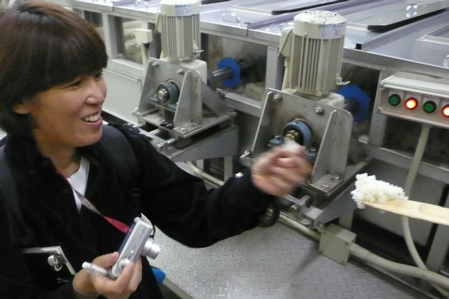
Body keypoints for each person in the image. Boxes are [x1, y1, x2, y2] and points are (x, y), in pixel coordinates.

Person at [0, 1, 312, 298]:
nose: (97, 94)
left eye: (96, 75)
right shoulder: (7, 191)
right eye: (73, 83)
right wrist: (80, 291)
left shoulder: (120, 148)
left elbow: (197, 221)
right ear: (20, 100)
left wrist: (255, 185)